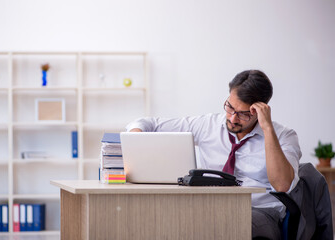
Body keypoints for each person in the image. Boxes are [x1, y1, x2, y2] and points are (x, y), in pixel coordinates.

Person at [126, 70, 302, 239]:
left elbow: (282, 185)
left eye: (243, 114)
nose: (233, 119)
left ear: (262, 110)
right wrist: (136, 135)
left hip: (258, 211)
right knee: (167, 221)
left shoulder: (283, 136)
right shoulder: (208, 125)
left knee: (226, 225)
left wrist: (267, 128)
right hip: (209, 206)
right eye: (230, 107)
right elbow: (148, 123)